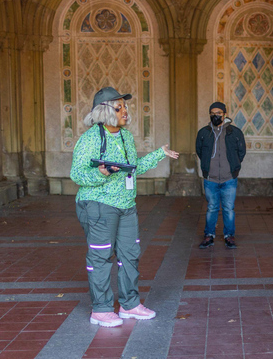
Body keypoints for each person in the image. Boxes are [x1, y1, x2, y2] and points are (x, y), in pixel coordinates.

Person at [70, 87, 179, 327]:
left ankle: (129, 305)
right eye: (119, 108)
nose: (125, 112)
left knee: (130, 255)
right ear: (104, 111)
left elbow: (133, 168)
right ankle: (101, 309)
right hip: (98, 205)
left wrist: (159, 154)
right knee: (100, 257)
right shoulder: (90, 138)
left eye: (125, 107)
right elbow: (77, 174)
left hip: (126, 204)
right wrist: (100, 173)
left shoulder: (125, 136)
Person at [195, 102, 246, 249]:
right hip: (210, 179)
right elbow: (199, 151)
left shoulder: (234, 132)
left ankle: (229, 236)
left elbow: (241, 152)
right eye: (212, 113)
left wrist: (233, 167)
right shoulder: (204, 133)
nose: (215, 115)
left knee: (229, 208)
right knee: (212, 207)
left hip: (229, 178)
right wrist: (207, 167)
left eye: (218, 113)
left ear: (224, 114)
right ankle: (209, 235)